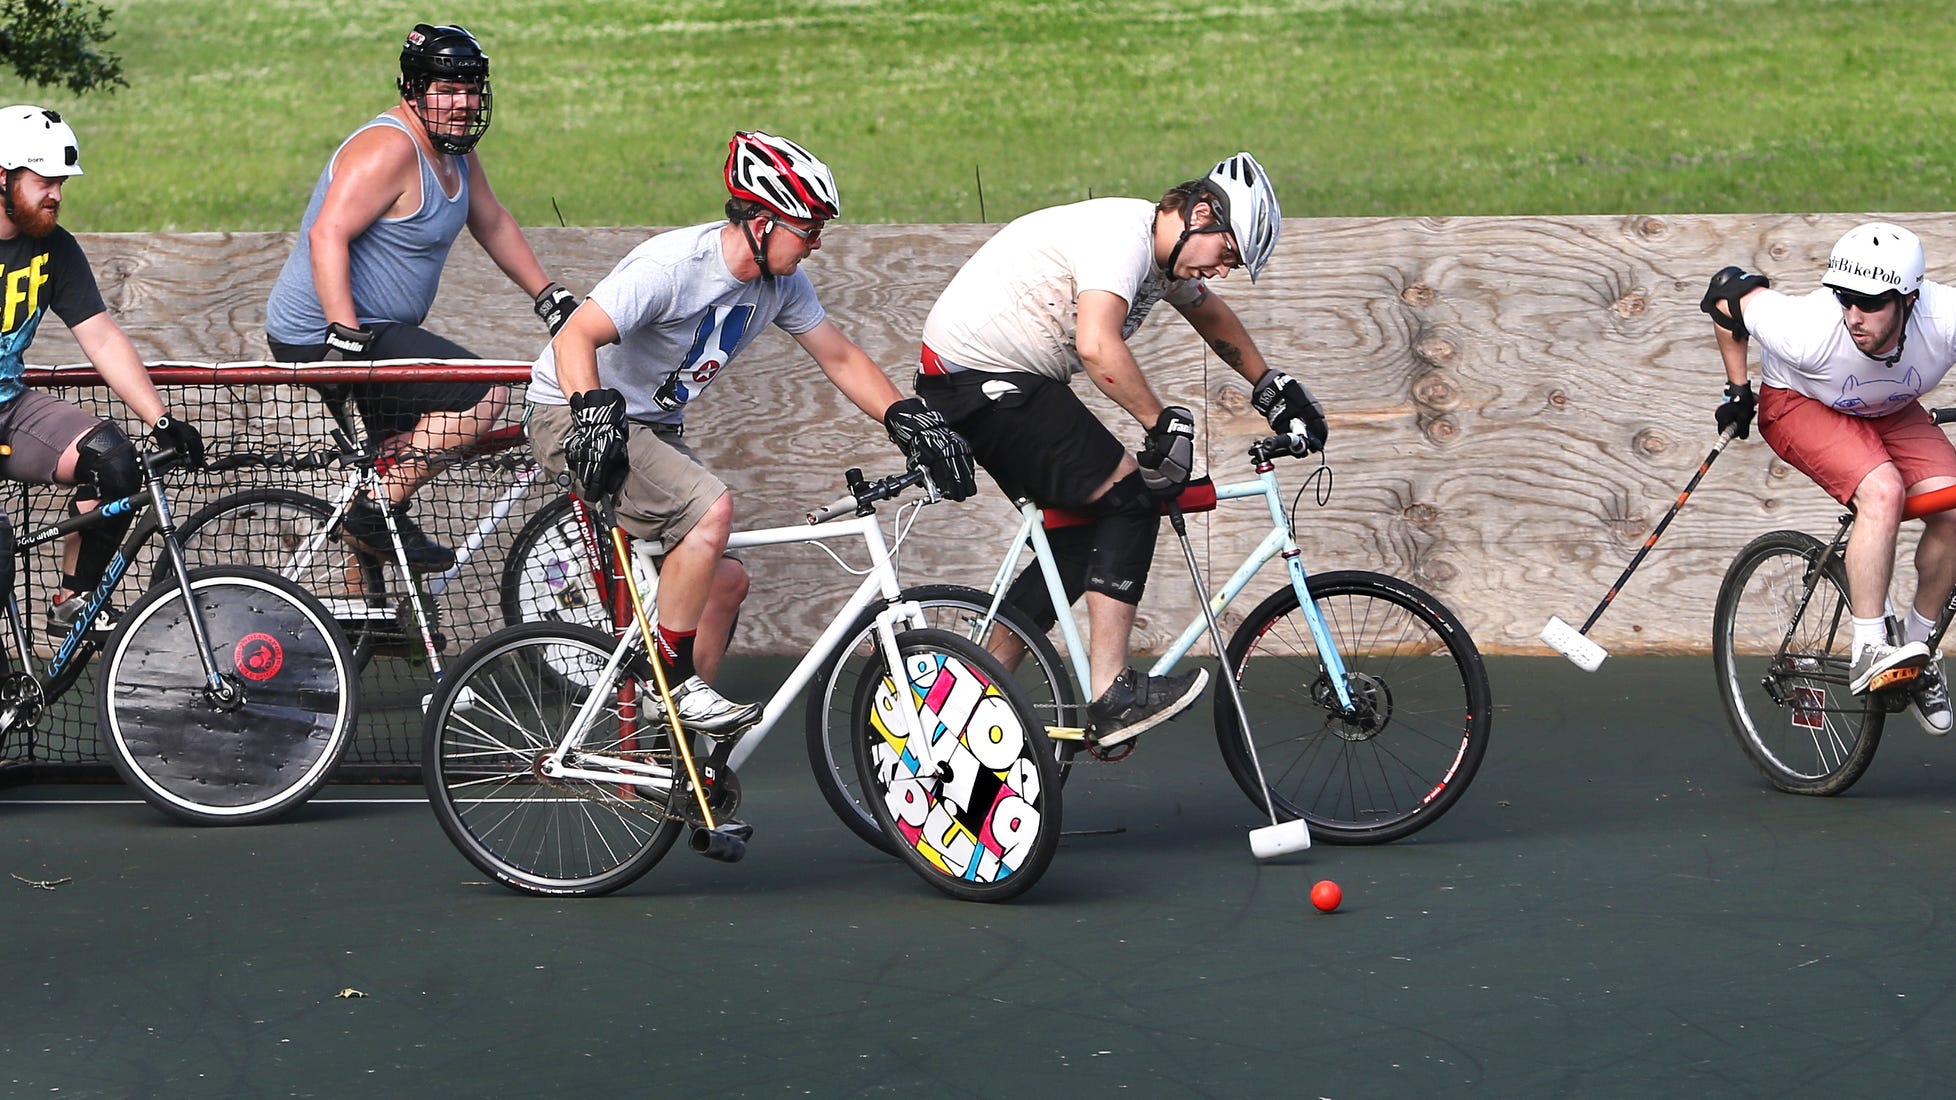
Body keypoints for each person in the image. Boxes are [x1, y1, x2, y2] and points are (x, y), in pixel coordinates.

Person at [527, 130, 975, 736]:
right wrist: (590, 411)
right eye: (809, 228)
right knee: (710, 509)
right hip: (570, 413)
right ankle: (675, 681)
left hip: (646, 425)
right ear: (763, 222)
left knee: (726, 581)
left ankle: (676, 735)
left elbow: (839, 356)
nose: (816, 243)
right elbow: (575, 335)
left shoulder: (782, 284)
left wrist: (905, 418)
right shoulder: (672, 267)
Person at [913, 153, 1324, 747]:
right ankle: (1112, 694)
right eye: (1228, 255)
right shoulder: (1122, 238)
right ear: (1202, 214)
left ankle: (968, 695)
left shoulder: (1165, 258)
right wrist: (1163, 424)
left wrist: (1270, 386)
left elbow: (1212, 316)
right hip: (983, 381)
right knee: (1131, 501)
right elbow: (1097, 345)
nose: (1223, 272)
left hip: (991, 383)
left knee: (1080, 540)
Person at [264, 23, 579, 571]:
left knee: (394, 457)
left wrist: (550, 297)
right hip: (327, 335)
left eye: (472, 88)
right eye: (449, 89)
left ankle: (371, 608)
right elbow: (326, 233)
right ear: (415, 89)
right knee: (482, 394)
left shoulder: (454, 152)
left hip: (376, 331)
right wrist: (344, 335)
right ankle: (371, 512)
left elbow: (493, 221)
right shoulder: (388, 148)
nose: (464, 103)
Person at [1704, 221, 1956, 733]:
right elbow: (1727, 293)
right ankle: (1868, 648)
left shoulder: (1945, 318)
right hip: (1802, 404)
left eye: (1869, 303)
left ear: (1909, 300)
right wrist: (1737, 389)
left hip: (1889, 405)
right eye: (1844, 298)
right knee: (1881, 491)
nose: (1853, 316)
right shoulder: (1809, 329)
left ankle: (1917, 646)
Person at [0, 105, 206, 637]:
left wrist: (160, 419)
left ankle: (73, 600)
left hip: (8, 409)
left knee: (114, 463)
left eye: (62, 183)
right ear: (2, 177)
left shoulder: (56, 248)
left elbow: (101, 335)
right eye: (45, 181)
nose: (58, 195)